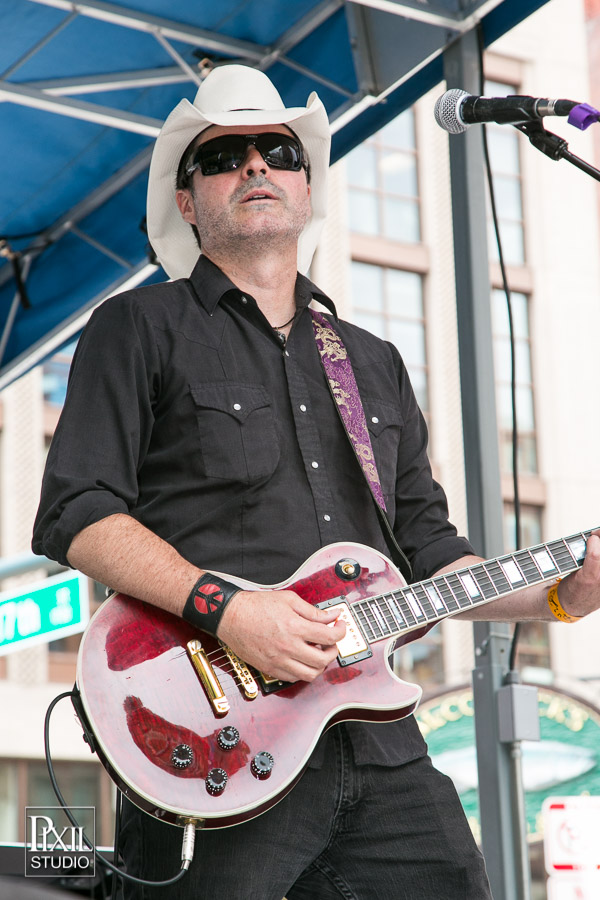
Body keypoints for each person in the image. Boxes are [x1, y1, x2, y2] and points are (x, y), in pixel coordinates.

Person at [32, 64, 600, 900]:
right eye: (225, 155)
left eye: (278, 151)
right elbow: (75, 512)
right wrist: (232, 610)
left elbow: (432, 554)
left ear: (306, 186)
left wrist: (559, 597)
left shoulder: (372, 360)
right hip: (215, 739)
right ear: (188, 202)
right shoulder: (138, 326)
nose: (257, 165)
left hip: (379, 741)